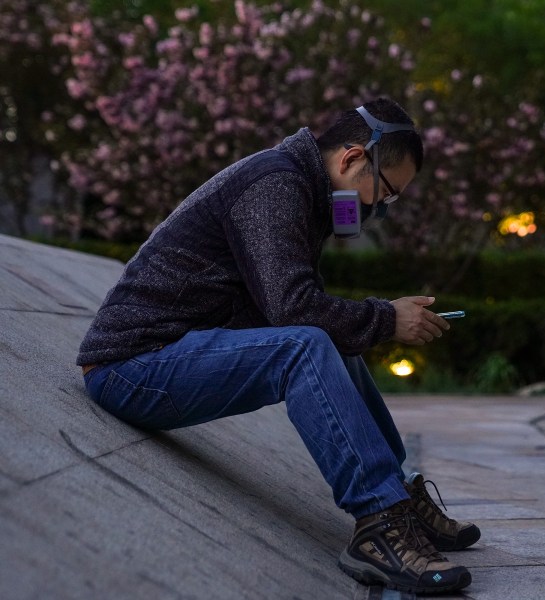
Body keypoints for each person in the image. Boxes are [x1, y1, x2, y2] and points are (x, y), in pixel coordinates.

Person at [76, 98, 478, 594]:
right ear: (353, 159)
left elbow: (287, 307)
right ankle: (379, 523)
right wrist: (387, 317)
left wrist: (370, 320)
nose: (380, 208)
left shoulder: (304, 189)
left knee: (329, 339)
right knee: (304, 345)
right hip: (131, 367)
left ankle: (397, 494)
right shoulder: (276, 184)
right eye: (387, 192)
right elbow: (292, 310)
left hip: (179, 350)